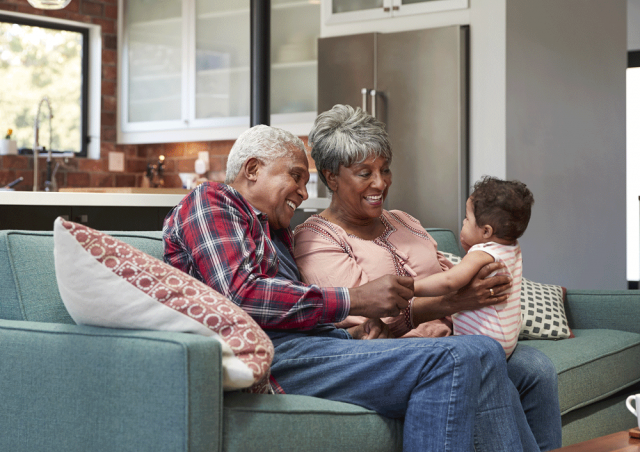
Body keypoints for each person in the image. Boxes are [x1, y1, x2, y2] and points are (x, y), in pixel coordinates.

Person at [164, 124, 542, 451]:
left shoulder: (273, 229)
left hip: (315, 345)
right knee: (458, 356)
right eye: (295, 176)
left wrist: (359, 329)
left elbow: (297, 306)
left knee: (487, 355)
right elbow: (241, 293)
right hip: (270, 357)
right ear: (252, 169)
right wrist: (355, 299)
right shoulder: (212, 201)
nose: (302, 191)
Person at [293, 105, 561, 451]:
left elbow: (449, 272)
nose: (380, 183)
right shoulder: (317, 238)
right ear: (331, 177)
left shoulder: (404, 220)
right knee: (483, 368)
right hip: (403, 352)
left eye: (385, 169)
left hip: (454, 334)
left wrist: (474, 295)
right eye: (364, 173)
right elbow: (366, 315)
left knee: (537, 367)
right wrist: (453, 304)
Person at [412, 176, 534, 358]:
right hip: (506, 339)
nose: (463, 222)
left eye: (467, 219)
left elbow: (449, 281)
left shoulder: (481, 253)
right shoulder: (512, 248)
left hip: (482, 342)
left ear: (486, 231)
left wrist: (412, 288)